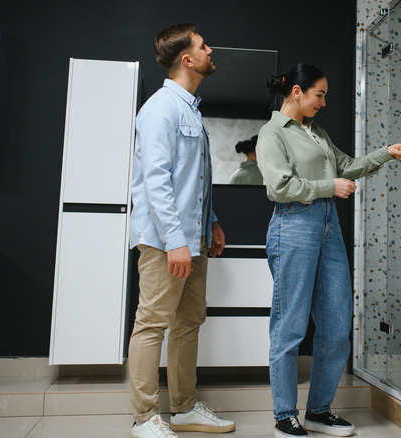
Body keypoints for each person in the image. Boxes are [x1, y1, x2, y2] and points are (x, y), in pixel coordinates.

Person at [256, 63, 401, 438]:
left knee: (338, 325)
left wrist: (385, 154)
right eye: (319, 94)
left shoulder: (316, 132)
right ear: (296, 92)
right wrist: (329, 187)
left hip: (327, 229)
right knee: (289, 325)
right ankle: (283, 414)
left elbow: (349, 167)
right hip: (292, 227)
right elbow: (279, 187)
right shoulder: (273, 132)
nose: (323, 102)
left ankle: (319, 411)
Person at [127, 23, 235, 438]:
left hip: (196, 239)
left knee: (189, 322)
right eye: (203, 46)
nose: (211, 50)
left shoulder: (191, 109)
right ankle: (143, 418)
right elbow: (156, 180)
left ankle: (185, 408)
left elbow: (195, 179)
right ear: (187, 59)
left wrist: (212, 222)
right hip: (165, 242)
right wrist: (176, 241)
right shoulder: (160, 108)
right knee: (152, 322)